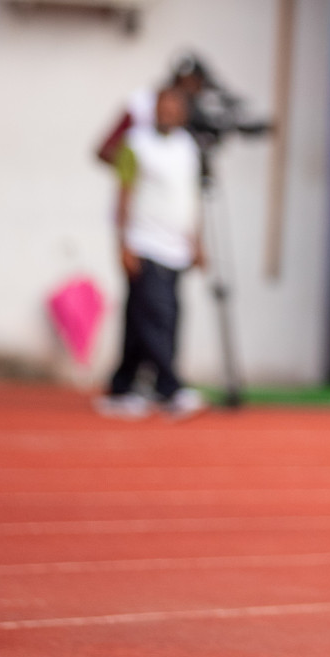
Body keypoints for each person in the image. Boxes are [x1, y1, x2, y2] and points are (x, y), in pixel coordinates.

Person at [94, 85, 208, 420]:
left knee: (143, 318)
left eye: (174, 107)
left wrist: (197, 242)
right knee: (157, 317)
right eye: (162, 106)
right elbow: (124, 195)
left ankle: (125, 386)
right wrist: (124, 242)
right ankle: (171, 386)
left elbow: (191, 199)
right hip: (145, 243)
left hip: (176, 246)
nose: (167, 113)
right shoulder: (136, 144)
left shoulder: (189, 147)